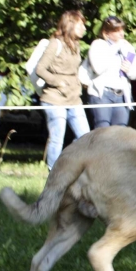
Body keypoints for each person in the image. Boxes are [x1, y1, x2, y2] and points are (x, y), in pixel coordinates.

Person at [35, 10, 91, 170]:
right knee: (57, 138)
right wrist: (57, 81)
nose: (84, 29)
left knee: (85, 137)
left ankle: (69, 164)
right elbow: (41, 69)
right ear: (71, 25)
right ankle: (53, 172)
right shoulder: (55, 43)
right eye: (81, 25)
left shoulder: (76, 45)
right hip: (54, 99)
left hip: (74, 98)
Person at [86, 16, 136, 128]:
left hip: (122, 96)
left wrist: (129, 70)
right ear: (106, 33)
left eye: (122, 30)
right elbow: (98, 68)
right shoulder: (98, 45)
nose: (122, 33)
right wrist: (115, 48)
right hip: (102, 95)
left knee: (119, 133)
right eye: (117, 31)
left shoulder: (128, 48)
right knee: (102, 131)